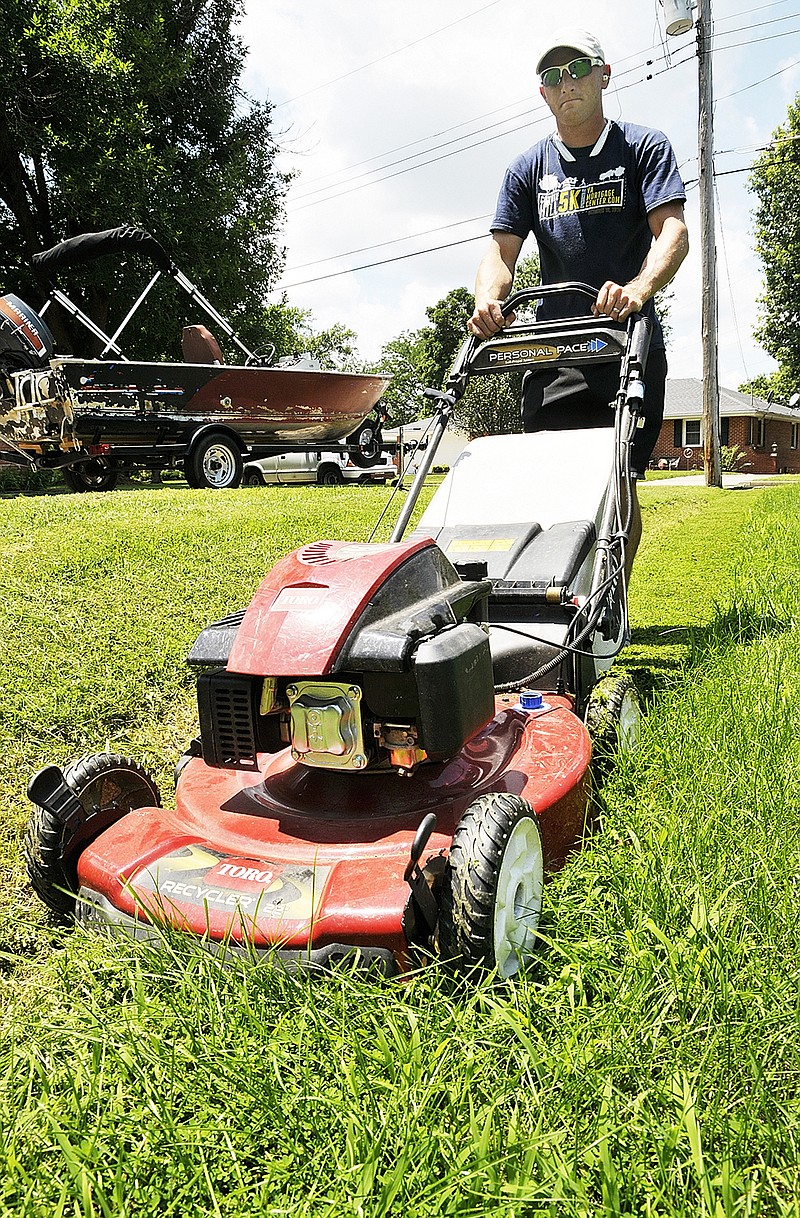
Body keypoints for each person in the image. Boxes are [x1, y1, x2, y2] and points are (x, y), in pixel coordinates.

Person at [469, 28, 689, 483]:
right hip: (554, 351)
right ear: (543, 93)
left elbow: (673, 232)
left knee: (616, 487)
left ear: (603, 75)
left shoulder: (643, 148)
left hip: (627, 345)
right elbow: (501, 250)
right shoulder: (526, 168)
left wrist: (636, 289)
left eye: (579, 69)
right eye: (553, 76)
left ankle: (613, 558)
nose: (566, 83)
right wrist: (488, 298)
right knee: (552, 482)